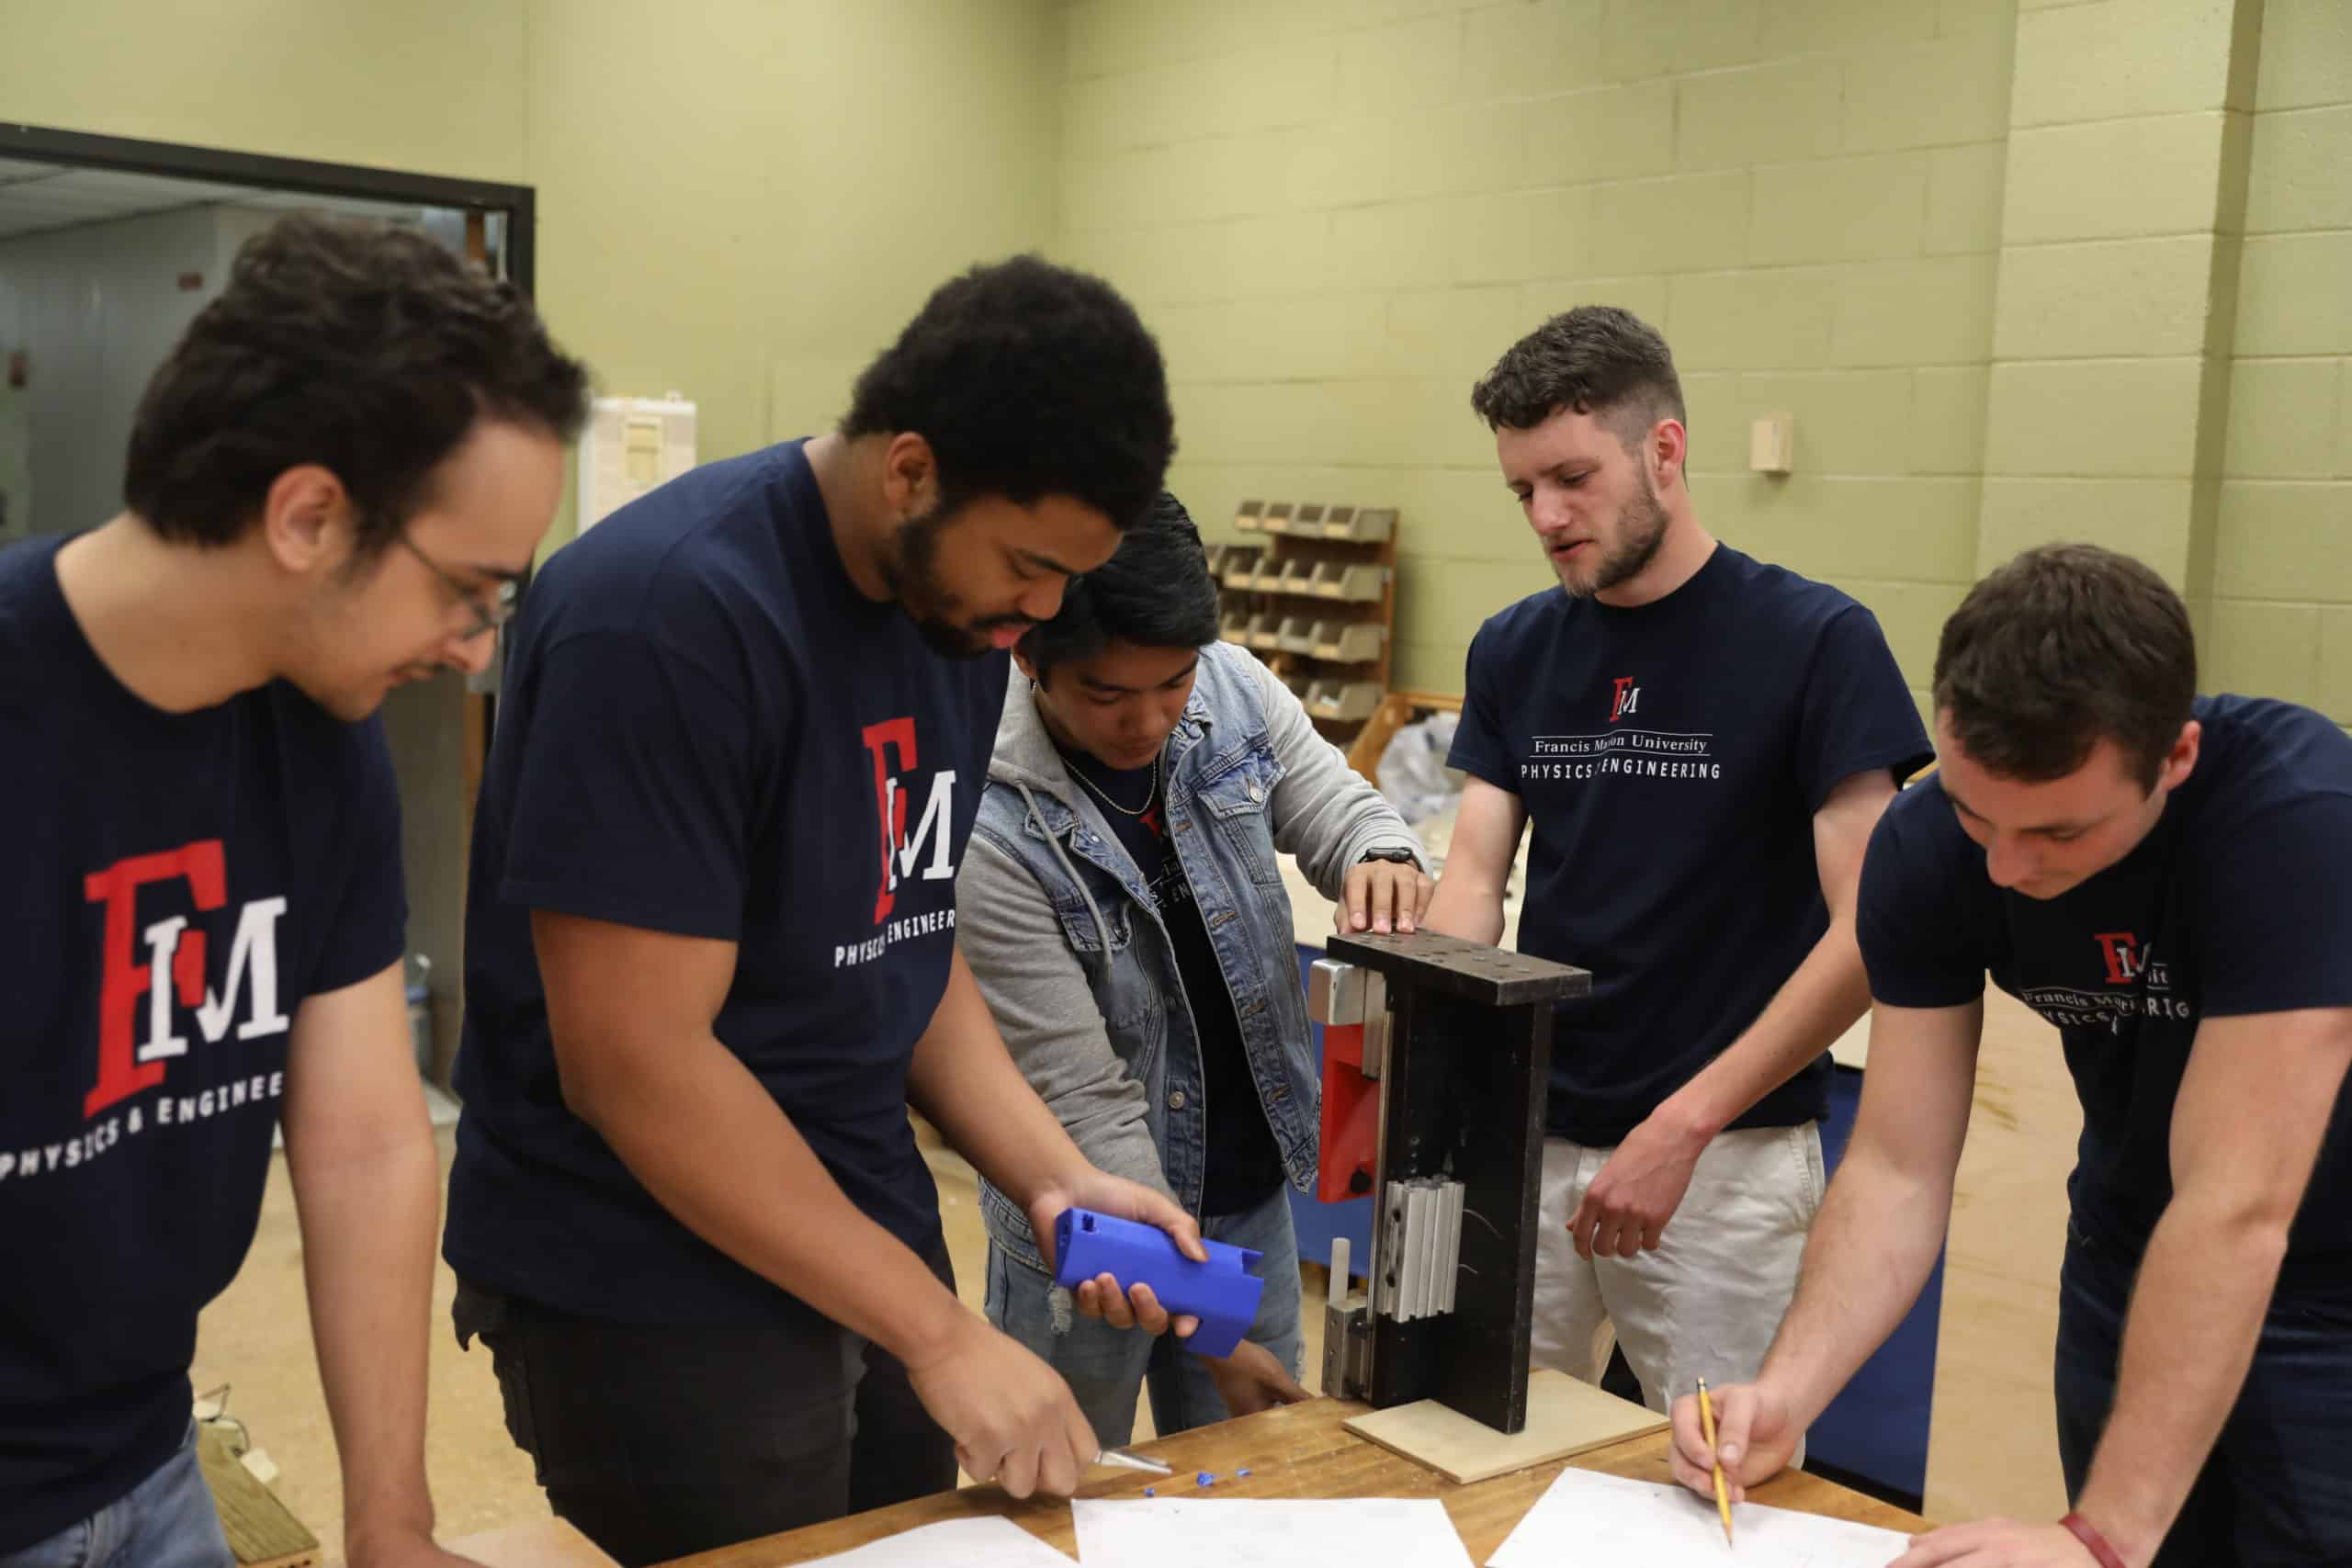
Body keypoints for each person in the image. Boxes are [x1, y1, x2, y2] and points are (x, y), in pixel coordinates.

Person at [442, 255, 1203, 1566]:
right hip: (650, 1275)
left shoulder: (956, 617)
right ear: (910, 470)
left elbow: (905, 935)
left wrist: (1052, 1170)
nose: (1042, 615)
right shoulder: (665, 616)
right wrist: (941, 1328)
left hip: (864, 1225)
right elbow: (637, 1064)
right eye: (1028, 565)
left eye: (1066, 583)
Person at [0, 215, 588, 1568]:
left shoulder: (316, 747)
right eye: (470, 588)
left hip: (147, 1466)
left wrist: (393, 1517)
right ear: (309, 513)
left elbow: (368, 1138)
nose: (477, 643)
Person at [1671, 545, 2352, 1568]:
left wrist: (2100, 1537)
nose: (2004, 864)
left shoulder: (2296, 823)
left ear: (2174, 760)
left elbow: (2235, 1205)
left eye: (2058, 833)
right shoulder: (1927, 843)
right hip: (2127, 1256)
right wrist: (1786, 1390)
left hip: (2328, 1289)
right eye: (1974, 811)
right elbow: (1899, 1164)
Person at [1422, 305, 1932, 1417]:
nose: (1547, 518)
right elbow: (1471, 881)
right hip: (1531, 1141)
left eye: (1571, 477)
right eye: (1522, 492)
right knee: (1489, 1454)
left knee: (1712, 1482)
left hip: (1727, 1163)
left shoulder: (1815, 642)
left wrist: (1685, 1122)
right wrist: (1441, 1079)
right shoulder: (1514, 646)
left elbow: (1872, 929)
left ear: (1664, 450)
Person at [956, 492, 1432, 1444]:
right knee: (1067, 1491)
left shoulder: (1232, 688)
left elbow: (1337, 800)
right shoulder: (985, 811)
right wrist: (1208, 1322)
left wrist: (1381, 853)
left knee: (1250, 1504)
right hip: (1087, 1236)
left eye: (1171, 683)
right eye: (1106, 694)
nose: (1148, 720)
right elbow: (1080, 1100)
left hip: (1249, 1196)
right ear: (1028, 653)